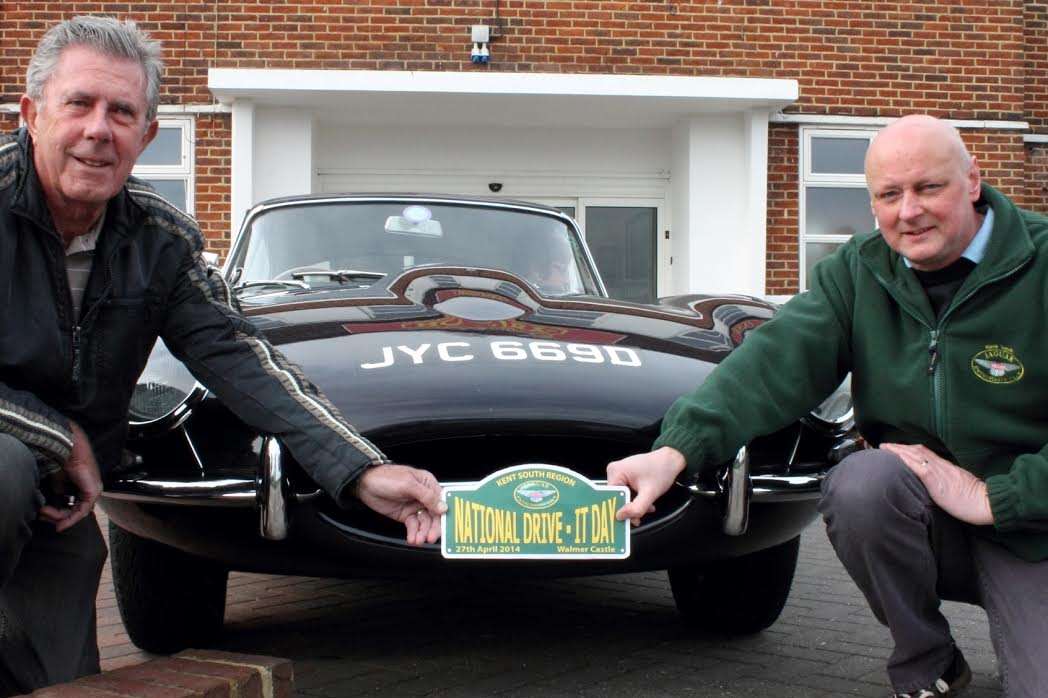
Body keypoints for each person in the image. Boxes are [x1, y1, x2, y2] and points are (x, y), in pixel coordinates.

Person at [0, 16, 445, 694]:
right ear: (32, 113)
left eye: (123, 112)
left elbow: (241, 358)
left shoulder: (161, 238)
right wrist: (59, 438)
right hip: (19, 467)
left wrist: (359, 469)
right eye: (79, 104)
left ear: (146, 135)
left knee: (64, 683)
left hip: (55, 499)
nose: (99, 130)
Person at [607, 114, 1048, 697]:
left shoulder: (1038, 265)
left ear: (972, 181)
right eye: (889, 195)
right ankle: (928, 661)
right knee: (862, 484)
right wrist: (675, 450)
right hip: (928, 519)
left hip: (1033, 524)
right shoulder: (860, 271)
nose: (908, 211)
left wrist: (999, 496)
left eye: (928, 188)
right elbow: (774, 362)